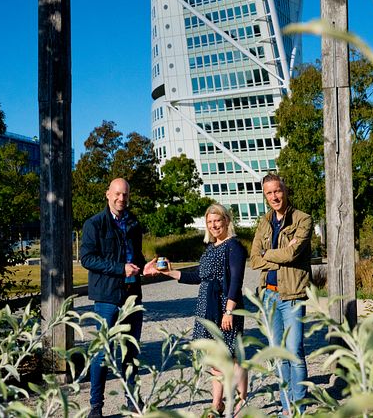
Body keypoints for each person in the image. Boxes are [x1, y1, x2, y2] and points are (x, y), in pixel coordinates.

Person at [148, 203, 248, 416]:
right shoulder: (210, 248)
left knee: (231, 357)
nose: (213, 226)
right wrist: (171, 273)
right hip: (206, 307)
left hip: (224, 307)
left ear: (226, 221)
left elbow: (236, 282)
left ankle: (241, 399)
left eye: (217, 221)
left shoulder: (234, 247)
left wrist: (229, 311)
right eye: (210, 222)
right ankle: (216, 404)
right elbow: (198, 277)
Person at [81, 178, 150, 418]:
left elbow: (136, 257)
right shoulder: (94, 224)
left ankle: (132, 399)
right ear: (107, 194)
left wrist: (146, 266)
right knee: (103, 352)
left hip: (133, 296)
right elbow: (87, 258)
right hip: (107, 298)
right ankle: (96, 406)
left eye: (126, 195)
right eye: (118, 194)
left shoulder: (133, 222)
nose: (122, 199)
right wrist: (120, 269)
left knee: (131, 351)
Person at [249, 173, 313, 415]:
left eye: (277, 191)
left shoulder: (302, 219)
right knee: (278, 355)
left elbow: (292, 254)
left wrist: (269, 254)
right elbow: (254, 259)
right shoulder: (264, 223)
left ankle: (300, 408)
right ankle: (287, 408)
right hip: (269, 296)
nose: (274, 196)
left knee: (294, 350)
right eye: (269, 193)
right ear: (265, 196)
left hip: (293, 295)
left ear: (285, 191)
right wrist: (277, 254)